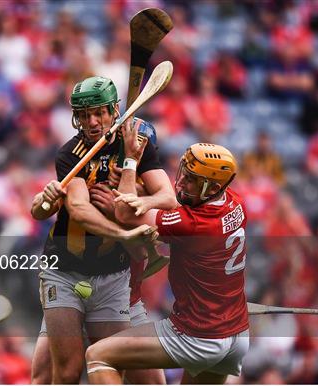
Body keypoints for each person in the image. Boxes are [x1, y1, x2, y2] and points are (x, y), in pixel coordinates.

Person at [30, 76, 176, 383]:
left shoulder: (136, 146)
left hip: (116, 279)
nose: (92, 122)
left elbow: (166, 201)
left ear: (114, 111)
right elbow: (80, 210)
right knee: (62, 372)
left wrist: (135, 201)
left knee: (119, 370)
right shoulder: (72, 154)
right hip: (67, 270)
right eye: (84, 115)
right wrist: (122, 230)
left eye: (99, 113)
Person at [85, 122, 250, 384]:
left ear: (214, 188)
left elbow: (125, 213)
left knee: (98, 356)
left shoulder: (192, 224)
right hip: (235, 336)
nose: (182, 181)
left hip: (198, 336)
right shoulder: (235, 203)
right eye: (184, 171)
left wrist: (130, 163)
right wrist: (142, 192)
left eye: (193, 181)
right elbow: (174, 205)